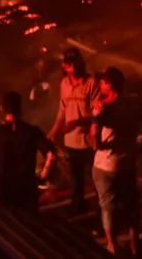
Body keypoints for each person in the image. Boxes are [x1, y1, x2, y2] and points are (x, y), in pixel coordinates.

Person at [91, 67, 142, 256]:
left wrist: (95, 118)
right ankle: (135, 246)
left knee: (108, 206)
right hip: (128, 163)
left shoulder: (104, 107)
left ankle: (112, 245)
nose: (100, 86)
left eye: (102, 83)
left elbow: (95, 140)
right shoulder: (134, 103)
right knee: (131, 205)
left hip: (105, 165)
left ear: (109, 86)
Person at [0, 91, 57, 214]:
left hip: (3, 192)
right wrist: (41, 178)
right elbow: (51, 156)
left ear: (2, 108)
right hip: (27, 193)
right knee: (29, 228)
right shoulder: (32, 131)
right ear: (20, 108)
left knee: (0, 227)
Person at [47, 47, 101, 214]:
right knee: (77, 180)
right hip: (71, 142)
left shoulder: (91, 83)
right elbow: (62, 110)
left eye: (76, 63)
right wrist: (54, 131)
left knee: (97, 178)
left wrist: (78, 122)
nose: (73, 68)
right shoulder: (64, 84)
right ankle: (78, 207)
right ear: (65, 67)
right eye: (69, 65)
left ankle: (102, 208)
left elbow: (97, 113)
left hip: (89, 141)